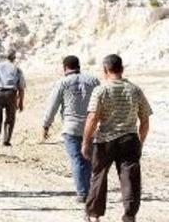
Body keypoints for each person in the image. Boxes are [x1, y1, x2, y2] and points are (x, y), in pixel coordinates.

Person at [82, 54, 151, 222]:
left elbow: (92, 118)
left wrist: (85, 142)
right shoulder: (134, 89)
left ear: (105, 70)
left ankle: (94, 214)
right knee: (131, 178)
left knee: (99, 175)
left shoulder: (101, 90)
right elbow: (145, 118)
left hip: (105, 140)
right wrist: (140, 141)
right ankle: (129, 215)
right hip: (129, 138)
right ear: (122, 69)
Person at [42, 55, 100, 203]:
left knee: (77, 160)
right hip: (91, 127)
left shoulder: (62, 83)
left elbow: (52, 106)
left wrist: (46, 125)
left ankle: (82, 193)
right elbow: (102, 102)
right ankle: (91, 191)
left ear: (65, 68)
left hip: (71, 127)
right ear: (78, 66)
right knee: (89, 160)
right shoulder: (93, 81)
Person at [0, 50, 26, 147]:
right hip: (11, 94)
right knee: (10, 118)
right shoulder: (17, 69)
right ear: (14, 58)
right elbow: (21, 88)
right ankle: (6, 140)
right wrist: (20, 102)